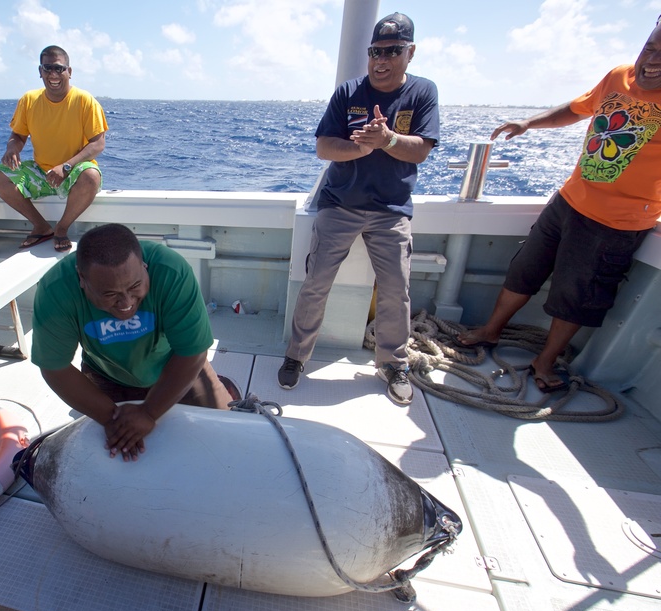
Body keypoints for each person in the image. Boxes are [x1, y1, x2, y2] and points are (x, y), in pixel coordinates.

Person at [457, 19, 661, 393]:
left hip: (616, 222)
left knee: (576, 295)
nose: (652, 60)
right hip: (568, 201)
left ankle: (545, 360)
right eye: (650, 47)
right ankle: (490, 330)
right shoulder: (619, 77)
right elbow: (577, 108)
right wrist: (528, 122)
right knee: (524, 270)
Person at [277, 12, 439, 406]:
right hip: (340, 204)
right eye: (375, 52)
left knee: (396, 290)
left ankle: (394, 364)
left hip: (391, 209)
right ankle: (297, 357)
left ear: (410, 52)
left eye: (392, 51)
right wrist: (363, 147)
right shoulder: (348, 92)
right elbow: (323, 147)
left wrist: (388, 139)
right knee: (316, 282)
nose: (380, 60)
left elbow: (421, 150)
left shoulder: (422, 93)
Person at [31, 223, 233, 462]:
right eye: (109, 294)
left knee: (226, 434)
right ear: (82, 280)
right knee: (118, 456)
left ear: (144, 266)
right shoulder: (55, 290)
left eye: (135, 286)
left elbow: (192, 352)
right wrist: (111, 419)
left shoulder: (172, 271)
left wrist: (148, 412)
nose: (126, 302)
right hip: (106, 373)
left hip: (174, 366)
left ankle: (225, 387)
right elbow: (55, 368)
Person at [0, 45, 108, 253]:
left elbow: (98, 143)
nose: (53, 74)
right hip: (41, 172)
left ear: (69, 72)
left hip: (73, 171)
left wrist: (67, 166)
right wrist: (12, 148)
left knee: (91, 176)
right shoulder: (29, 100)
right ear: (40, 71)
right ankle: (42, 226)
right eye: (48, 68)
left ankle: (61, 228)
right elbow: (18, 135)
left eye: (59, 68)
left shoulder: (85, 100)